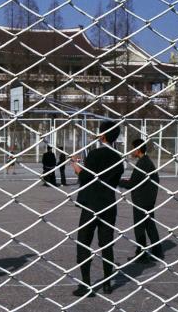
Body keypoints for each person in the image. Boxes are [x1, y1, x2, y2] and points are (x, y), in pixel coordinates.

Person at [70, 121, 124, 297]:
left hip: (91, 204)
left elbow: (85, 177)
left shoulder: (94, 154)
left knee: (83, 242)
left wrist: (75, 164)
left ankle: (86, 284)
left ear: (103, 135)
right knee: (106, 244)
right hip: (108, 204)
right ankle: (108, 283)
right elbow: (114, 180)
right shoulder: (119, 157)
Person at [120, 139, 163, 263]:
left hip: (141, 201)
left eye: (133, 148)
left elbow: (132, 183)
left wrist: (117, 181)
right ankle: (157, 251)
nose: (131, 151)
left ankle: (141, 254)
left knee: (140, 228)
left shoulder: (142, 163)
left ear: (138, 149)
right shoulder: (146, 161)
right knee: (150, 226)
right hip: (148, 201)